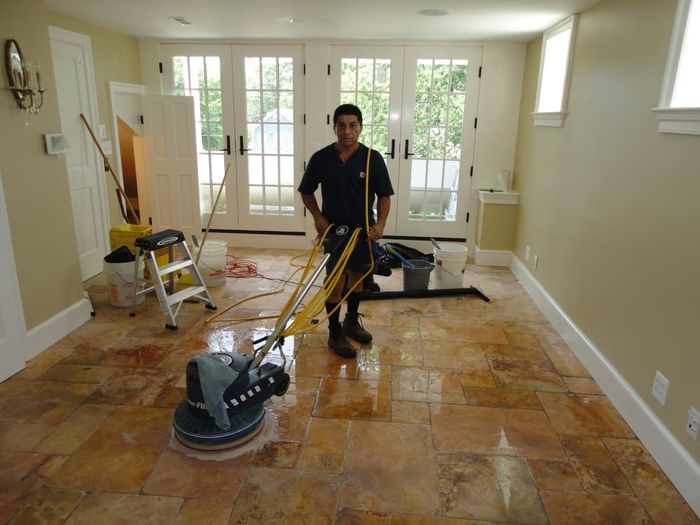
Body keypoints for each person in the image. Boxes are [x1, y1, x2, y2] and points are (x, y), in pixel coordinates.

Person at [298, 104, 394, 358]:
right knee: (336, 280)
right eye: (342, 125)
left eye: (353, 125)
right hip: (335, 232)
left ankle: (351, 321)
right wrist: (318, 218)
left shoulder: (373, 159)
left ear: (360, 128)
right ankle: (334, 332)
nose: (347, 131)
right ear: (334, 127)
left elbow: (385, 196)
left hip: (363, 231)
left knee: (357, 276)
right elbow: (306, 191)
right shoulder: (321, 159)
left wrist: (380, 224)